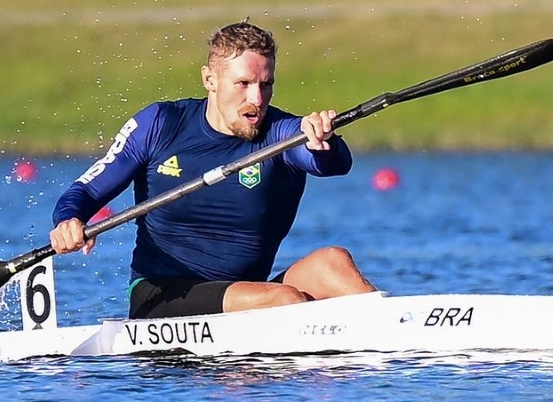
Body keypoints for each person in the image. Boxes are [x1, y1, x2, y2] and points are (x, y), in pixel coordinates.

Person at [49, 21, 377, 319]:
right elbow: (88, 189)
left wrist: (323, 142)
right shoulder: (160, 124)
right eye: (244, 83)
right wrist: (69, 220)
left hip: (251, 295)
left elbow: (332, 164)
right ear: (210, 79)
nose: (257, 98)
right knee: (285, 300)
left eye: (266, 84)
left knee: (333, 262)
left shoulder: (280, 133)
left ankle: (391, 342)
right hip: (162, 295)